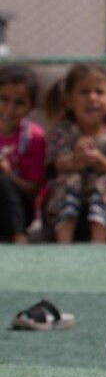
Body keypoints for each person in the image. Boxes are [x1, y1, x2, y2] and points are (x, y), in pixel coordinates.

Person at [41, 64, 106, 243]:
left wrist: (99, 160)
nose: (92, 98)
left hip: (104, 208)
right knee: (69, 179)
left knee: (105, 181)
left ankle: (97, 244)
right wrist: (75, 158)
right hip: (66, 206)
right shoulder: (63, 131)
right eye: (84, 92)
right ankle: (64, 242)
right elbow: (57, 164)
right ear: (69, 100)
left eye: (99, 92)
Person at [0, 64, 47, 243]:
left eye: (19, 103)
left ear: (31, 106)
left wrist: (9, 175)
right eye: (3, 99)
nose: (9, 109)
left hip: (19, 210)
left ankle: (19, 236)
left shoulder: (34, 137)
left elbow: (33, 190)